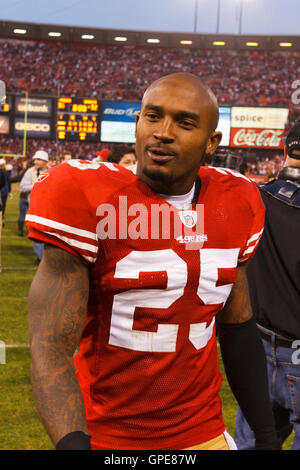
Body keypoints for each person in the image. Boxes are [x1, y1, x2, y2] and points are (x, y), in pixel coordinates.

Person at [26, 73, 279, 451]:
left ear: (211, 143)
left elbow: (238, 328)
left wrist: (265, 434)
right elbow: (50, 345)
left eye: (185, 122)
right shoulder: (84, 194)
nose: (163, 132)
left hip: (202, 431)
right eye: (152, 116)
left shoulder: (236, 200)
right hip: (107, 436)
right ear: (138, 123)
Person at [234, 122, 300, 450]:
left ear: (287, 150)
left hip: (256, 346)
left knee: (252, 445)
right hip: (297, 352)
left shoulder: (254, 197)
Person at [19, 150, 48, 263]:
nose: (35, 161)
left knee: (47, 232)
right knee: (35, 231)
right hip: (34, 206)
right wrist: (37, 185)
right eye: (35, 159)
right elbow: (22, 187)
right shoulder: (29, 172)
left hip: (47, 206)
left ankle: (44, 255)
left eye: (39, 159)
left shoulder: (51, 172)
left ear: (45, 161)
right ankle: (39, 256)